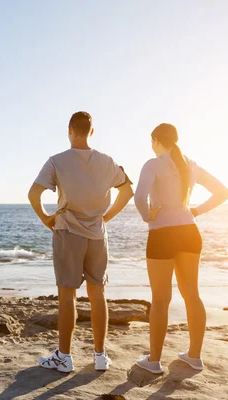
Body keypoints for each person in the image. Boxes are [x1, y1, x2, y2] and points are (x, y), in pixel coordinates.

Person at [28, 111, 134, 372]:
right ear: (92, 131)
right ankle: (100, 356)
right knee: (98, 294)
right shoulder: (107, 161)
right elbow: (128, 190)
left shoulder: (56, 161)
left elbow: (33, 193)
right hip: (97, 235)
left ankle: (64, 357)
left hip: (68, 233)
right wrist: (105, 217)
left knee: (67, 296)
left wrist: (45, 218)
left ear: (69, 130)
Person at [134, 123, 228, 374]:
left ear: (156, 140)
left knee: (161, 299)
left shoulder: (152, 164)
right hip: (190, 232)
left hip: (162, 234)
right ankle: (194, 356)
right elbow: (223, 192)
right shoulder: (190, 164)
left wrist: (148, 216)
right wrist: (195, 211)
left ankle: (154, 361)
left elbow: (139, 197)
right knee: (192, 295)